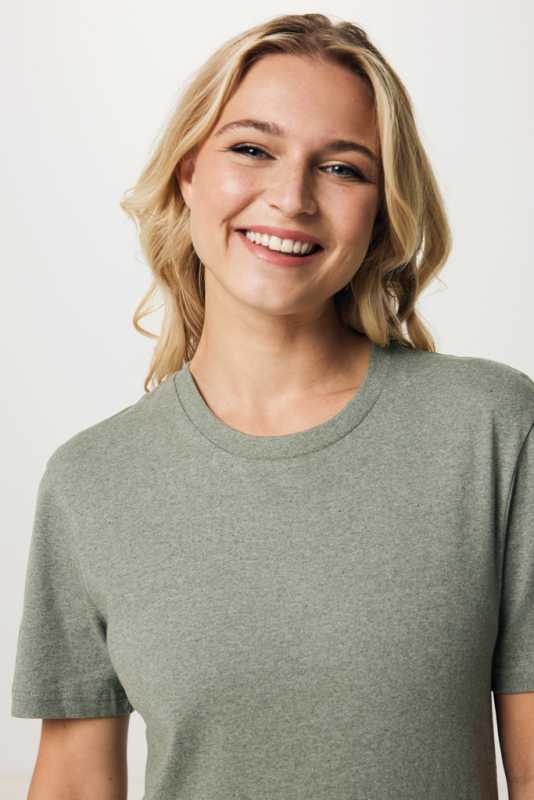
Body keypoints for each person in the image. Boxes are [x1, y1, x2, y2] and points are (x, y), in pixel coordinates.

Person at [11, 12, 534, 800]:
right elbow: (75, 785)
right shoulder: (92, 481)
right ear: (189, 174)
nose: (291, 198)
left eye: (343, 168)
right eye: (253, 149)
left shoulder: (491, 429)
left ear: (381, 212)